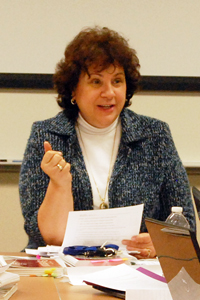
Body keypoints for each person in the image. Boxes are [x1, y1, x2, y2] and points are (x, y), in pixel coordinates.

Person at [19, 26, 196, 257]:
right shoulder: (47, 135)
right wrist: (59, 184)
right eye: (96, 82)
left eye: (117, 81)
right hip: (63, 270)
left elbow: (185, 222)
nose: (109, 92)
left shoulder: (155, 135)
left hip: (134, 270)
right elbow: (46, 234)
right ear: (74, 89)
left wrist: (161, 243)